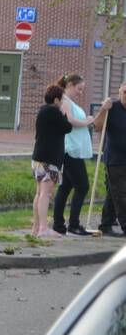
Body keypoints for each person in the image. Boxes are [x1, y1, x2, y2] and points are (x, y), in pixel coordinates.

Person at [52, 74, 97, 235]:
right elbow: (69, 120)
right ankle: (73, 224)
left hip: (74, 150)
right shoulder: (64, 101)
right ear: (70, 85)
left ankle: (59, 224)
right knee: (82, 186)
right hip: (71, 150)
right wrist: (87, 121)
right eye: (79, 89)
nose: (80, 92)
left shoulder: (69, 101)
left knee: (66, 187)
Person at [32, 84, 72, 238]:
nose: (62, 103)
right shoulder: (54, 112)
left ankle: (36, 228)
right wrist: (65, 112)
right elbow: (67, 127)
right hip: (49, 160)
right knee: (46, 194)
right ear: (56, 100)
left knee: (39, 193)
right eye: (61, 100)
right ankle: (43, 228)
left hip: (38, 158)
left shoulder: (43, 111)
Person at [94, 81, 126, 235]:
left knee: (113, 193)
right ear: (119, 92)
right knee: (120, 194)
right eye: (125, 92)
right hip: (115, 160)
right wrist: (103, 109)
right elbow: (97, 127)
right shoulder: (112, 108)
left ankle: (106, 224)